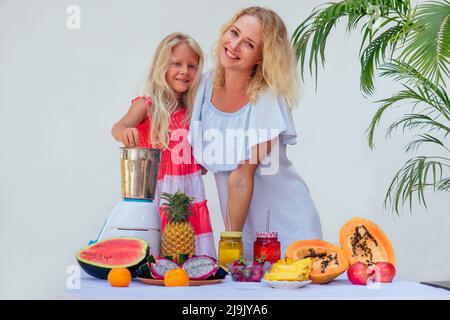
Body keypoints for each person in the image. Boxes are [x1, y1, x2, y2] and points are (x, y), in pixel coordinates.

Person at [189, 7, 322, 259]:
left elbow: (240, 177)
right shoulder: (203, 87)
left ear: (262, 57)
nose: (234, 45)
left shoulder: (267, 98)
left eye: (249, 44)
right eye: (234, 32)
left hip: (287, 232)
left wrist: (230, 243)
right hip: (242, 233)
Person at [112, 32, 216, 258]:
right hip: (159, 190)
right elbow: (117, 127)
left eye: (192, 66)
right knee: (155, 255)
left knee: (192, 256)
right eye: (176, 64)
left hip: (189, 193)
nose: (184, 71)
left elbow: (199, 152)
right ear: (161, 67)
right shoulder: (146, 105)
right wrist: (126, 132)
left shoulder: (194, 111)